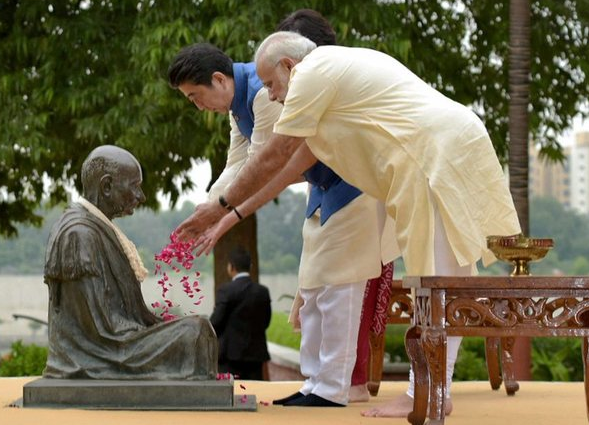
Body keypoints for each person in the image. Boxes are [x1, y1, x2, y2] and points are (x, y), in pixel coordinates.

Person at [175, 31, 522, 417]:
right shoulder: (326, 78)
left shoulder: (312, 75)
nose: (271, 95)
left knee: (436, 279)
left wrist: (222, 205)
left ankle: (427, 392)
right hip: (437, 150)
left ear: (290, 66)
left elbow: (275, 154)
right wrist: (229, 214)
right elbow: (290, 165)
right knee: (441, 277)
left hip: (432, 153)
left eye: (273, 84)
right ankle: (430, 389)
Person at [168, 14, 397, 407]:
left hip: (353, 184)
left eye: (195, 96)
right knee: (312, 288)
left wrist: (220, 216)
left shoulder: (260, 92)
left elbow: (266, 166)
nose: (198, 106)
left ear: (219, 81)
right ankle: (316, 384)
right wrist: (208, 209)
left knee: (338, 289)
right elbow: (237, 166)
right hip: (324, 188)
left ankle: (333, 389)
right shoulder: (241, 103)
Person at [44, 145, 218, 380]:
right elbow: (98, 328)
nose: (141, 196)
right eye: (134, 186)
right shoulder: (79, 234)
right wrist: (154, 332)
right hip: (101, 352)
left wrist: (155, 327)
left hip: (116, 340)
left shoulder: (98, 228)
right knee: (195, 332)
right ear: (106, 187)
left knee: (195, 329)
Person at [209, 246, 272, 380]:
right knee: (255, 394)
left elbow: (216, 322)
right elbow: (266, 321)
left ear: (231, 267)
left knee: (232, 394)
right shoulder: (262, 291)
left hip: (230, 356)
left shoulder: (225, 290)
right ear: (250, 266)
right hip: (256, 355)